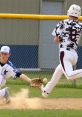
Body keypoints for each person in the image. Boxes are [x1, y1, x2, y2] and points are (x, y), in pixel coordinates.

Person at [41, 4, 82, 98]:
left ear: (69, 12)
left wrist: (61, 37)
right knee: (57, 73)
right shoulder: (80, 25)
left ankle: (46, 91)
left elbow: (55, 40)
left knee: (69, 76)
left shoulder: (62, 23)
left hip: (65, 53)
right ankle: (46, 91)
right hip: (74, 55)